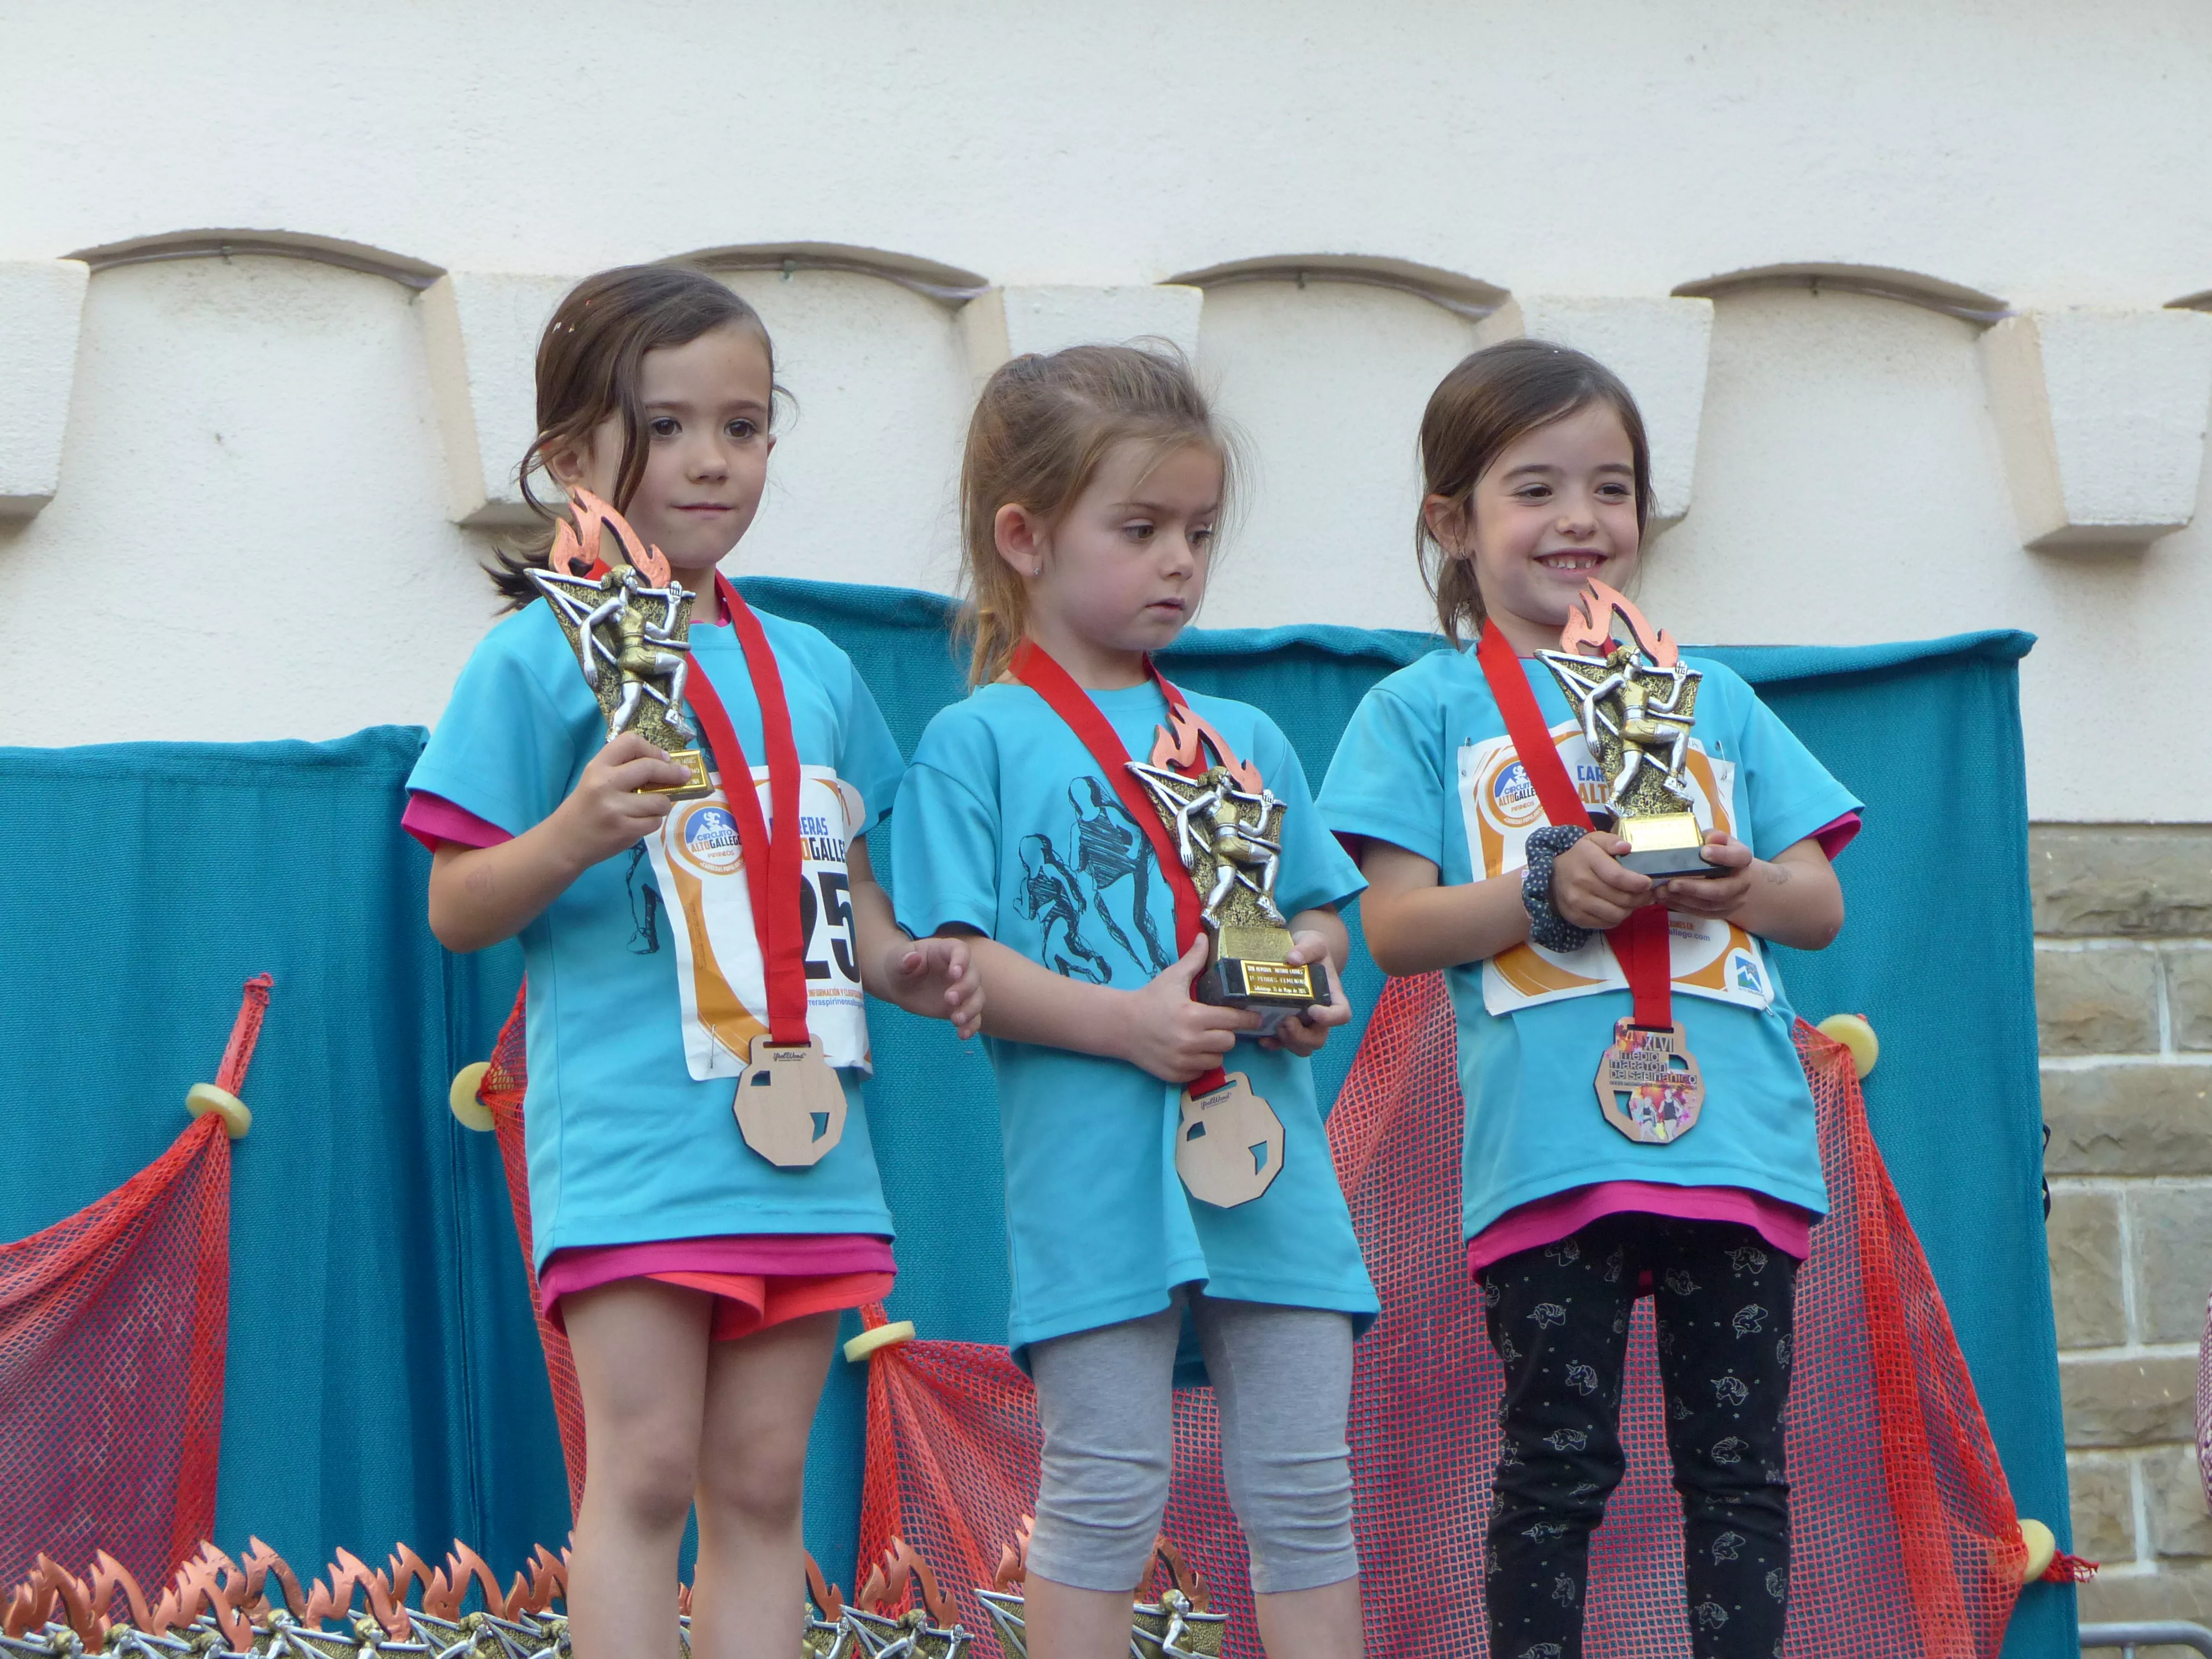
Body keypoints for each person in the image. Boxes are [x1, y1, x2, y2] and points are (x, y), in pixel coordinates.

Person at [404, 264, 981, 1659]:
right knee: (648, 1472)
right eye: (665, 428)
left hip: (805, 1139)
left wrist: (904, 966)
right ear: (570, 457)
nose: (712, 460)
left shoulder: (817, 667)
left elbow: (846, 892)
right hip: (632, 1143)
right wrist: (572, 830)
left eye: (743, 425)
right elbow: (456, 909)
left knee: (765, 1484)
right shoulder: (536, 658)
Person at [1317, 340, 1861, 1659]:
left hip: (1736, 1143)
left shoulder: (1709, 697)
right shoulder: (1420, 708)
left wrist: (1739, 882)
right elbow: (1391, 930)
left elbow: (1816, 905)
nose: (1580, 520)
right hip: (1549, 1149)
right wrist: (1544, 892)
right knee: (1554, 1468)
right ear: (1451, 521)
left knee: (1738, 1473)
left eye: (1610, 488)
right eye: (1535, 488)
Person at [892, 345, 1377, 1659]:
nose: (1179, 562)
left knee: (1306, 1493)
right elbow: (960, 967)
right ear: (1025, 538)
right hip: (1093, 1184)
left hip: (1270, 1178)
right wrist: (1130, 1026)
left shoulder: (1243, 739)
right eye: (1141, 528)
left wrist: (1299, 981)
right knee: (1102, 1492)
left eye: (1199, 533)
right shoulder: (976, 740)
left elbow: (1323, 916)